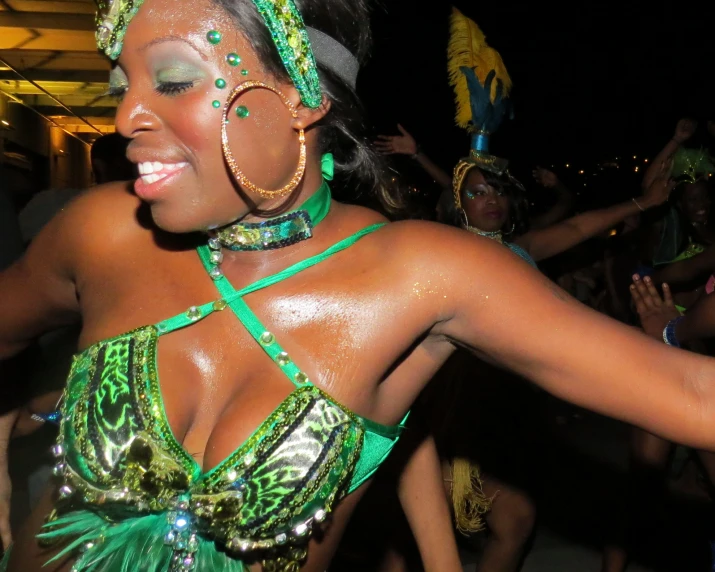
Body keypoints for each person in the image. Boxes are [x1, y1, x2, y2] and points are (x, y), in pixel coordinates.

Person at [4, 2, 715, 572]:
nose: (127, 117)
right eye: (121, 87)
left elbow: (689, 394)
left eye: (173, 79)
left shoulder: (421, 274)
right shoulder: (101, 233)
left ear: (300, 99)